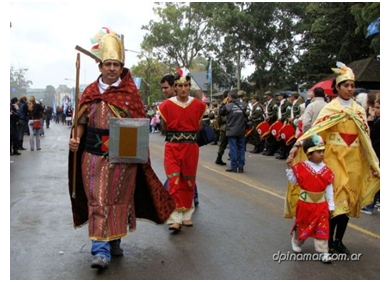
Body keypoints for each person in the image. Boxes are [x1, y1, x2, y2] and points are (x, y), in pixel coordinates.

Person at [68, 28, 175, 270]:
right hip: (93, 157)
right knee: (99, 200)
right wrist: (75, 139)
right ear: (100, 66)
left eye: (116, 64)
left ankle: (114, 240)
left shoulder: (130, 93)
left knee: (117, 200)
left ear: (121, 66)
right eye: (108, 64)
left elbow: (138, 127)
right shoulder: (89, 92)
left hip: (122, 158)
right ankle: (101, 250)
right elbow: (80, 124)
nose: (112, 68)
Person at [285, 62, 380, 255]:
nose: (350, 89)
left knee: (347, 203)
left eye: (352, 85)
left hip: (353, 159)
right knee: (334, 202)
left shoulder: (359, 110)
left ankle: (339, 240)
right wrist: (296, 146)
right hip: (334, 158)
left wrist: (372, 162)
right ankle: (326, 239)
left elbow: (365, 138)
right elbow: (315, 131)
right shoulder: (331, 108)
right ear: (338, 87)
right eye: (346, 85)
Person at [157, 68, 207, 231]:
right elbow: (165, 129)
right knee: (174, 179)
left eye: (186, 85)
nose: (184, 89)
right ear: (175, 88)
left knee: (188, 180)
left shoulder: (198, 105)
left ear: (189, 86)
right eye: (180, 86)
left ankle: (187, 215)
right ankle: (175, 217)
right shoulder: (165, 106)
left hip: (190, 147)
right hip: (172, 147)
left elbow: (198, 127)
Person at [286, 134, 334, 263]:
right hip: (305, 205)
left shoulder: (326, 170)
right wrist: (290, 168)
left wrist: (331, 204)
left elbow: (329, 188)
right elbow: (293, 180)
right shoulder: (301, 167)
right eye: (318, 152)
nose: (322, 154)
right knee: (303, 224)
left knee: (323, 227)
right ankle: (297, 241)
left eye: (322, 151)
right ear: (309, 154)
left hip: (321, 205)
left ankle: (323, 251)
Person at [219, 89, 247, 173]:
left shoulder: (229, 106)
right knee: (242, 148)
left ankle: (234, 167)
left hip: (231, 130)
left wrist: (224, 103)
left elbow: (221, 112)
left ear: (230, 97)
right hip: (241, 130)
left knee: (233, 148)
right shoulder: (243, 105)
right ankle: (241, 166)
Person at [361, 97, 380, 214]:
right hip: (377, 153)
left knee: (376, 177)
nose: (376, 110)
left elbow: (369, 135)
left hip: (378, 153)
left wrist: (371, 120)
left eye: (378, 108)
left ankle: (370, 205)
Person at [215, 91, 229, 166]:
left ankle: (219, 158)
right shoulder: (226, 106)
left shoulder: (222, 106)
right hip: (226, 126)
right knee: (224, 144)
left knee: (223, 144)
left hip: (224, 127)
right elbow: (220, 118)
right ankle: (219, 158)